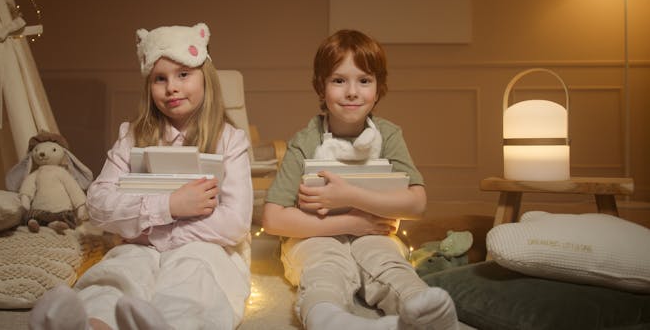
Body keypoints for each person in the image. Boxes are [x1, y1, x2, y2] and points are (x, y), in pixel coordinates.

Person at [30, 23, 253, 330]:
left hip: (204, 248)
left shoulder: (230, 140)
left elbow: (236, 222)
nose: (171, 87)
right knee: (119, 274)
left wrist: (156, 232)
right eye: (159, 78)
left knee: (191, 277)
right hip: (138, 247)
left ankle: (169, 325)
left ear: (206, 78)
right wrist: (168, 207)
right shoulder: (132, 135)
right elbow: (98, 204)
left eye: (183, 74)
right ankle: (91, 324)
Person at [262, 29, 458, 330]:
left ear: (378, 88)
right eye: (339, 80)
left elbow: (417, 203)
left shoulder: (389, 135)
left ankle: (425, 316)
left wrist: (349, 197)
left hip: (375, 233)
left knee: (388, 264)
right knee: (324, 268)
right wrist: (350, 223)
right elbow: (274, 219)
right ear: (320, 87)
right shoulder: (305, 140)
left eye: (364, 80)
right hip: (313, 236)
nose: (352, 92)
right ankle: (331, 320)